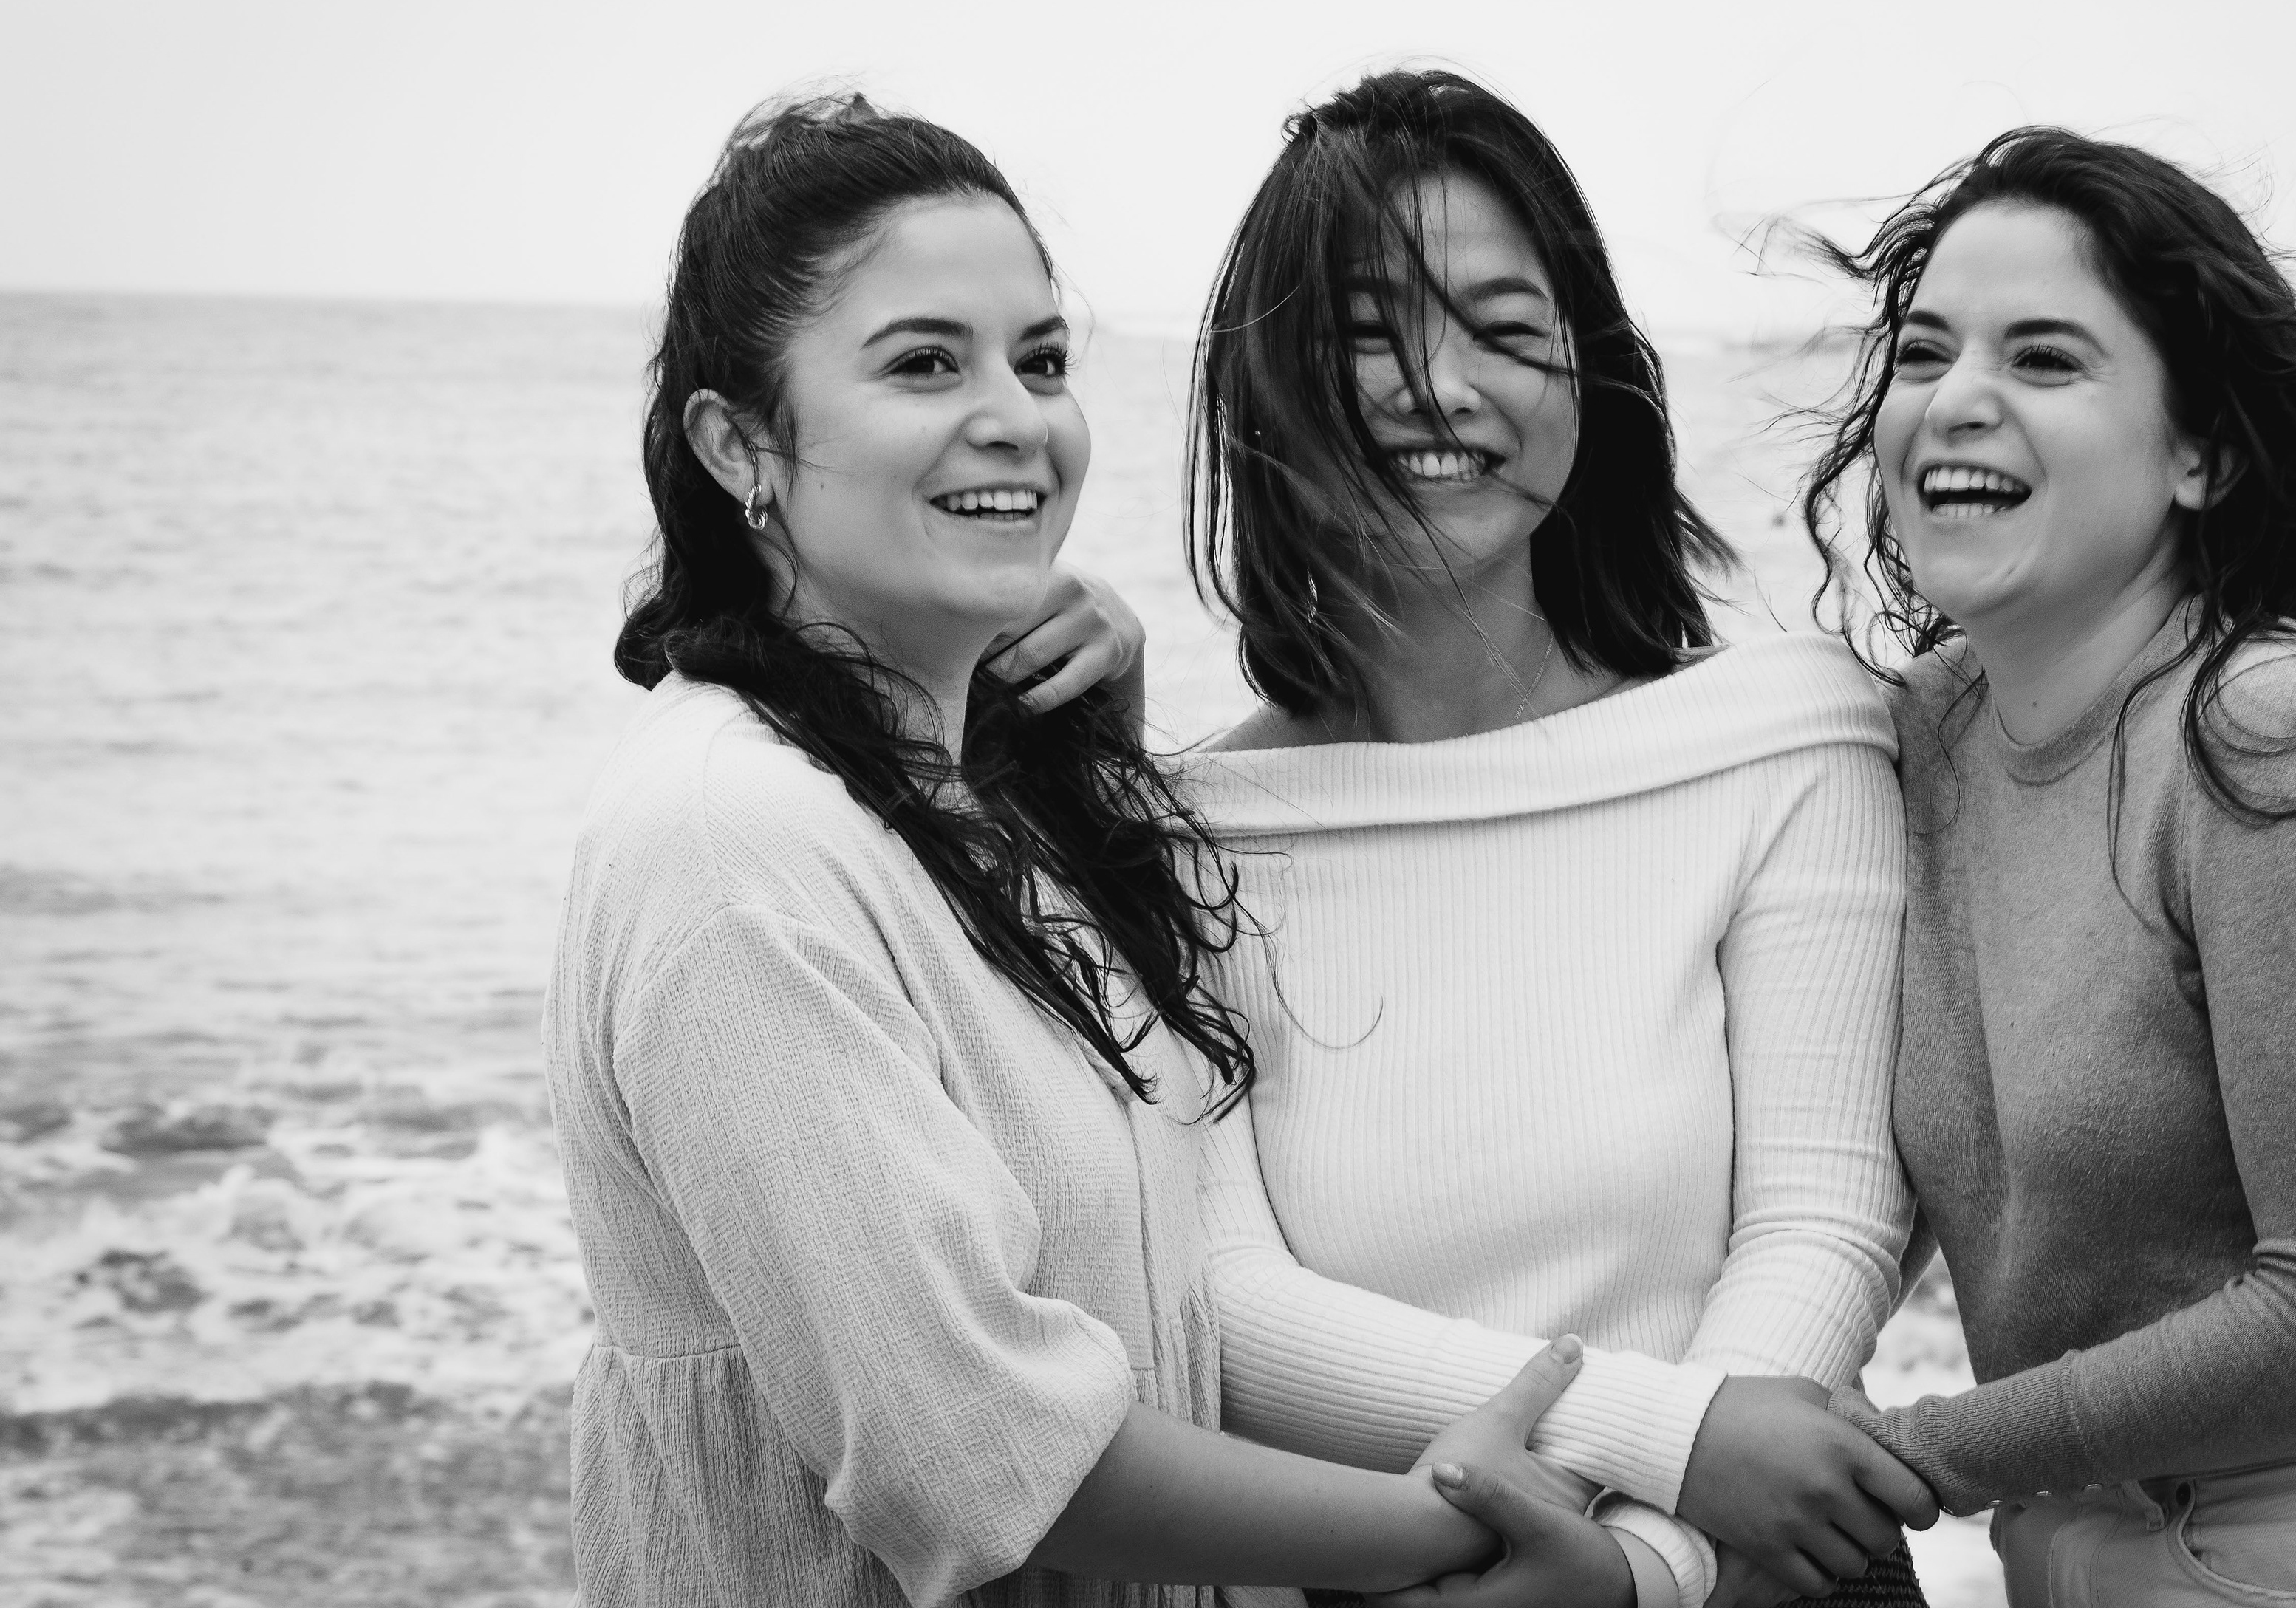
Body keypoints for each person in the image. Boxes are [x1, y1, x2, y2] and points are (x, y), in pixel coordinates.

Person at [543, 93, 1641, 1608]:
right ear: (741, 444)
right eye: (925, 363)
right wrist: (1436, 1523)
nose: (1017, 416)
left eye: (1042, 359)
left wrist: (1094, 764)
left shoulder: (959, 796)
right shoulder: (733, 845)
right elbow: (969, 1453)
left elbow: (1155, 1262)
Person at [1803, 128, 2296, 1606]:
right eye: (1924, 353)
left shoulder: (2272, 728)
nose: (1956, 398)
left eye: (2046, 358)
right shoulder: (1911, 743)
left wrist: (1919, 1451)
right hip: (2074, 1548)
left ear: (2203, 451)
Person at [1175, 70, 1938, 1608]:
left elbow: (1825, 1219)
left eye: (1508, 329)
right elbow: (1224, 1310)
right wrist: (1670, 1439)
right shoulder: (1167, 841)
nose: (1443, 385)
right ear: (1260, 394)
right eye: (1370, 332)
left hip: (1753, 1575)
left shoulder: (1784, 733)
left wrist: (1641, 1567)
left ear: (1589, 383)